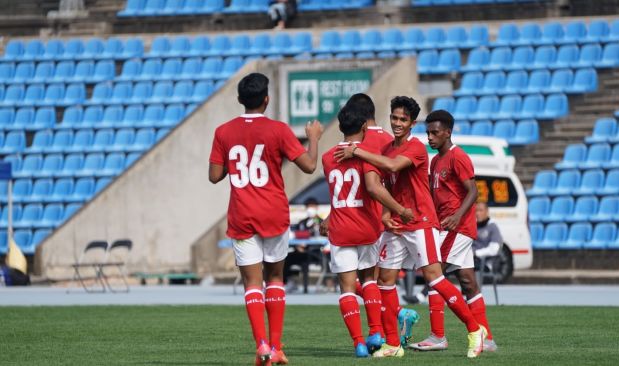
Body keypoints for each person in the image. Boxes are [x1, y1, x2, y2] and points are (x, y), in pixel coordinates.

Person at [335, 97, 486, 359]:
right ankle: (393, 344)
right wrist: (385, 213)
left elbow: (393, 167)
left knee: (435, 279)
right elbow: (386, 185)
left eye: (403, 120)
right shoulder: (386, 149)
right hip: (398, 225)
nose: (397, 123)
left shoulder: (415, 148)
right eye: (394, 118)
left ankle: (474, 330)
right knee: (385, 280)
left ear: (412, 123)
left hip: (420, 223)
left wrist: (356, 151)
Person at [208, 72, 323, 366]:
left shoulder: (223, 131)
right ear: (266, 99)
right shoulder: (279, 130)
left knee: (251, 283)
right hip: (273, 211)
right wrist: (313, 140)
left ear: (239, 100)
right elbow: (309, 166)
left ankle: (260, 345)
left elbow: (214, 176)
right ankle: (276, 347)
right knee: (275, 277)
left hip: (242, 212)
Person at [322, 104, 414, 357]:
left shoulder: (327, 157)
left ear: (340, 127)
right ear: (365, 127)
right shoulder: (369, 154)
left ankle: (358, 343)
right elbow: (373, 188)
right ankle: (376, 331)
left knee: (347, 288)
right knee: (370, 280)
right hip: (367, 226)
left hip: (341, 227)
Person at [411, 109, 496, 353]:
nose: (430, 137)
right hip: (449, 226)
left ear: (448, 132)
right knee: (468, 282)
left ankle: (438, 336)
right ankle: (487, 339)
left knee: (434, 275)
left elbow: (473, 192)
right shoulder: (436, 160)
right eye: (427, 133)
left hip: (456, 227)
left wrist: (456, 216)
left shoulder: (458, 157)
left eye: (435, 133)